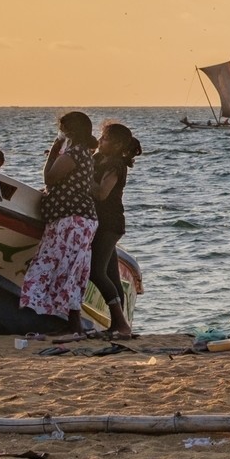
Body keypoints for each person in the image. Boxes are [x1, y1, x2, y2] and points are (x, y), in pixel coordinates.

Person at [19, 111, 99, 333]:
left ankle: (63, 323)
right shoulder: (85, 153)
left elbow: (49, 178)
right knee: (71, 269)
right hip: (80, 219)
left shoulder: (72, 154)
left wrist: (53, 152)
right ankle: (70, 323)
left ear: (68, 131)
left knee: (54, 266)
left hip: (71, 220)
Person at [90, 121, 141, 339]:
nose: (100, 141)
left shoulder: (116, 166)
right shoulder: (99, 159)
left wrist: (79, 176)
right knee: (111, 273)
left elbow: (102, 193)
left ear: (118, 144)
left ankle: (121, 324)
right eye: (100, 137)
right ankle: (120, 325)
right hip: (100, 223)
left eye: (105, 139)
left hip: (109, 224)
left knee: (96, 272)